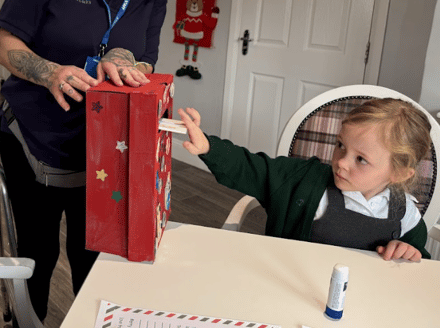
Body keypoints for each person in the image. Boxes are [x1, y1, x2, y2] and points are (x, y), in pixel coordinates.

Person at [0, 0, 205, 320]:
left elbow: (145, 62)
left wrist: (125, 57)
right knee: (38, 252)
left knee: (95, 255)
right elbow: (4, 45)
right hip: (34, 139)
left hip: (106, 147)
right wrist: (50, 72)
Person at [179, 98, 433, 261]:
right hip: (287, 289)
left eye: (361, 159)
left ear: (398, 173)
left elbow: (416, 258)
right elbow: (251, 167)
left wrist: (409, 252)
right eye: (341, 145)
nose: (341, 161)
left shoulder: (405, 214)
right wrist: (208, 147)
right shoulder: (300, 180)